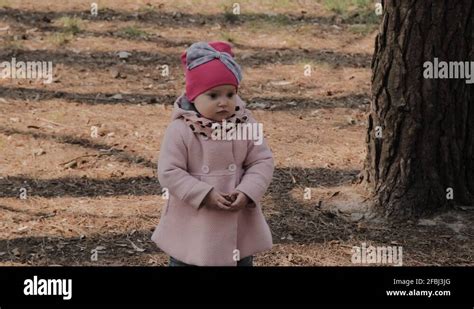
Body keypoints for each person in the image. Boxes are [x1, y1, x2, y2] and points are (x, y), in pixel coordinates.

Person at [151, 41, 274, 266]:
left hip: (238, 220)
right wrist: (204, 194)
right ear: (194, 96)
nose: (223, 102)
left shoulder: (246, 124)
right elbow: (169, 171)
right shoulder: (181, 129)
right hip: (192, 222)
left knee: (240, 259)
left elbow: (262, 161)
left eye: (230, 94)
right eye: (213, 95)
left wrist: (247, 192)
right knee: (187, 260)